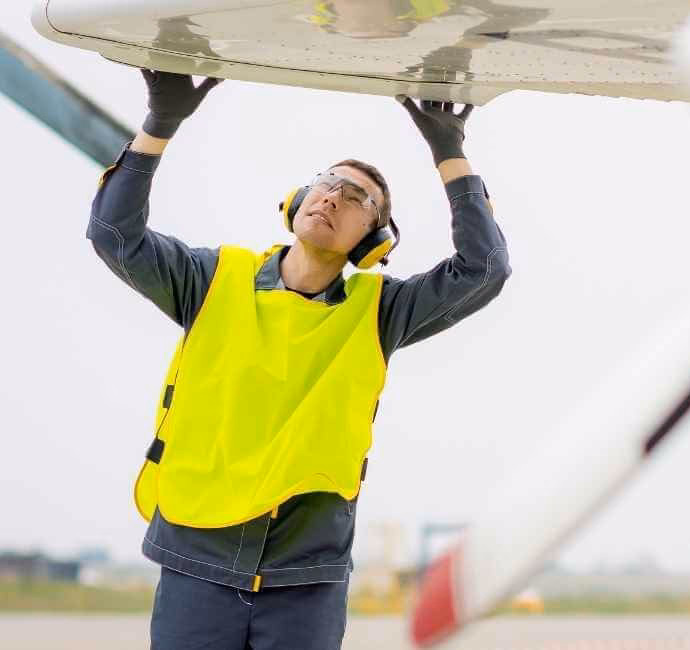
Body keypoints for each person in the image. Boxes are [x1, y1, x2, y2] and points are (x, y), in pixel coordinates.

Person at [87, 69, 510, 649]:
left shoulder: (381, 312)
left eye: (358, 197)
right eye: (329, 182)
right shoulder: (211, 281)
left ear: (373, 238)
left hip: (304, 579)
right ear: (299, 200)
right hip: (197, 560)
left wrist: (449, 152)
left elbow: (484, 269)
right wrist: (160, 124)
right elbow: (115, 233)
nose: (336, 195)